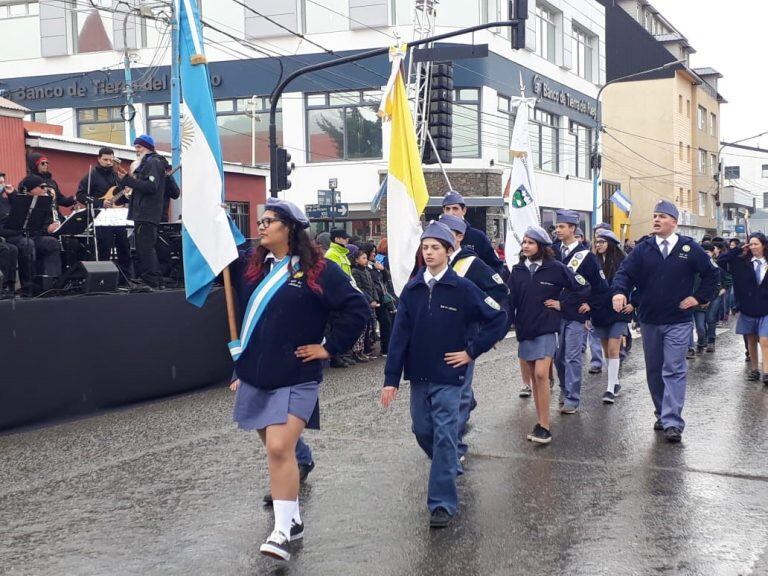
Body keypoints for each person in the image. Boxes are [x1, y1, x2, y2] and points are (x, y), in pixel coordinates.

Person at [229, 198, 368, 562]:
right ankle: (293, 522)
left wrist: (329, 347)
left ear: (290, 228)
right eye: (260, 221)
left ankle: (281, 531)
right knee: (276, 449)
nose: (260, 226)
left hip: (297, 376)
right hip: (255, 374)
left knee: (278, 447)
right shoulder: (251, 268)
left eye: (269, 221)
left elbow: (357, 308)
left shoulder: (319, 271)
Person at [380, 220, 506, 528]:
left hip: (450, 376)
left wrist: (471, 350)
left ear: (449, 252)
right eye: (425, 247)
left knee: (447, 435)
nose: (430, 252)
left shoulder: (462, 288)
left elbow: (498, 318)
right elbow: (398, 338)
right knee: (423, 431)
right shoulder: (412, 290)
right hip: (420, 376)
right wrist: (390, 380)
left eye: (436, 247)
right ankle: (447, 464)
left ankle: (442, 504)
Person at [612, 200, 718, 443]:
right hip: (650, 319)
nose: (656, 220)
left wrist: (698, 298)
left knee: (674, 368)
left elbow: (712, 274)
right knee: (654, 370)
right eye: (655, 215)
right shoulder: (643, 248)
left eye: (662, 216)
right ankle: (661, 412)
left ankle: (672, 421)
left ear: (674, 221)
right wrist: (619, 291)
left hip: (678, 320)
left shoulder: (689, 248)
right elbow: (624, 273)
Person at [507, 225, 590, 444]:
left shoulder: (556, 268)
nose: (525, 246)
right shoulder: (518, 270)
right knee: (535, 377)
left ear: (541, 246)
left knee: (542, 374)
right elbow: (510, 302)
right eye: (524, 242)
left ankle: (545, 426)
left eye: (530, 242)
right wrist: (503, 326)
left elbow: (582, 287)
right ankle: (541, 423)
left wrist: (562, 304)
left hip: (547, 327)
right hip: (526, 329)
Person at [439, 213, 509, 459]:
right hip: (438, 333)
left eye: (448, 232)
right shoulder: (432, 263)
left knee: (459, 390)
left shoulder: (472, 264)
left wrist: (487, 322)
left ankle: (455, 445)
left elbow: (500, 290)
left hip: (466, 333)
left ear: (459, 237)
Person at [553, 210, 606, 414]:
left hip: (576, 314)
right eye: (557, 226)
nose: (557, 230)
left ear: (573, 229)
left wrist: (591, 305)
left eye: (561, 227)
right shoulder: (553, 252)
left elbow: (601, 287)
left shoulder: (588, 257)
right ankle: (564, 389)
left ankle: (573, 398)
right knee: (558, 357)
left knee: (572, 356)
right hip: (555, 313)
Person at [717, 232, 768, 384]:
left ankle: (766, 372)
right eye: (750, 244)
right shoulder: (741, 263)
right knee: (751, 339)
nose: (752, 247)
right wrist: (738, 248)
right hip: (747, 307)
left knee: (765, 340)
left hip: (766, 308)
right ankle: (754, 370)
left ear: (764, 245)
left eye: (756, 244)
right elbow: (720, 260)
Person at [118, 135, 167, 288]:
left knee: (145, 248)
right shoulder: (151, 163)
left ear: (147, 147)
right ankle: (155, 279)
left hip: (147, 212)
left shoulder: (153, 162)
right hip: (144, 212)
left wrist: (128, 180)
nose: (136, 150)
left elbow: (151, 187)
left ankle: (150, 279)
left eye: (139, 147)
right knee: (144, 247)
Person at [76, 147, 132, 280]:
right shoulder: (91, 175)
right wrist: (99, 203)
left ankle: (126, 278)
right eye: (105, 160)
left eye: (111, 160)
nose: (108, 162)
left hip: (117, 216)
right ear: (99, 159)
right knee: (105, 248)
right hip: (101, 217)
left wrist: (127, 193)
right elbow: (80, 195)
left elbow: (121, 198)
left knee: (124, 245)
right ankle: (105, 279)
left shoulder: (116, 176)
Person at [592, 229, 632, 403]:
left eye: (602, 241)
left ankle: (609, 389)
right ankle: (615, 381)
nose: (598, 245)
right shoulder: (593, 261)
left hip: (619, 310)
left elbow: (633, 283)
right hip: (599, 310)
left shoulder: (623, 261)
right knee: (606, 348)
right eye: (597, 242)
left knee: (614, 348)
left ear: (611, 243)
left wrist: (633, 303)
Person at [441, 190, 504, 273]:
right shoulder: (438, 237)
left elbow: (495, 266)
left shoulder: (478, 237)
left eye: (455, 209)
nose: (451, 213)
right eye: (447, 209)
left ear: (464, 210)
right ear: (443, 211)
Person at [587, 223, 613, 374]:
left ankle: (616, 355)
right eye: (596, 238)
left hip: (614, 303)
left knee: (613, 334)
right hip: (596, 302)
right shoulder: (591, 258)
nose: (598, 243)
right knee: (594, 331)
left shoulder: (619, 257)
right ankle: (596, 361)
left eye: (602, 238)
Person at [362, 243, 395, 356]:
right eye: (372, 252)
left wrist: (383, 269)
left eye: (374, 251)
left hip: (381, 297)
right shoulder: (363, 268)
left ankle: (386, 348)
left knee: (386, 322)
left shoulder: (376, 265)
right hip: (372, 298)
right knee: (370, 325)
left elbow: (386, 279)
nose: (374, 254)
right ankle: (368, 348)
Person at [692, 242, 723, 354]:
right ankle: (701, 342)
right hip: (698, 300)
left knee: (710, 319)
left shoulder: (716, 267)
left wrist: (709, 299)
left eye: (707, 252)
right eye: (703, 252)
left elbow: (719, 285)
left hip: (713, 299)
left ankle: (711, 341)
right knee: (700, 326)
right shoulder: (694, 268)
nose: (705, 254)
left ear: (713, 253)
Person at [24, 153, 76, 219]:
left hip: (56, 217)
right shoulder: (28, 181)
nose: (45, 164)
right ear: (35, 165)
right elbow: (24, 202)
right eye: (42, 163)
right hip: (40, 219)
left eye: (47, 162)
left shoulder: (52, 182)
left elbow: (60, 200)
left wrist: (74, 198)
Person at [350, 244, 379, 360]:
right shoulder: (355, 271)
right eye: (363, 258)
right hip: (363, 303)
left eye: (366, 258)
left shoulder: (366, 271)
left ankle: (364, 350)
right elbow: (359, 288)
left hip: (371, 303)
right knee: (361, 328)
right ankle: (357, 351)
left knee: (369, 327)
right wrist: (369, 300)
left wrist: (375, 298)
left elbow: (371, 286)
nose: (366, 260)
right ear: (356, 260)